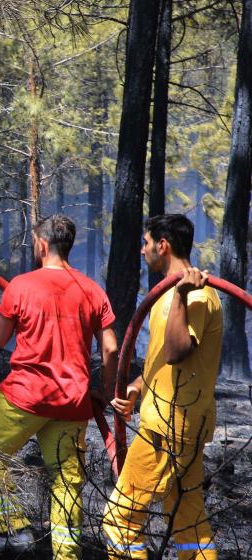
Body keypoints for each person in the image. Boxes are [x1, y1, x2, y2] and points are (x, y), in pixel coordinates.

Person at [0, 214, 118, 558]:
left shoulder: (21, 285)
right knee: (67, 480)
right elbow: (111, 348)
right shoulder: (93, 290)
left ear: (40, 245)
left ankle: (15, 527)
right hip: (72, 402)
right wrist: (106, 392)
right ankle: (66, 554)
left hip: (25, 397)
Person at [103, 214, 222, 560]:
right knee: (190, 526)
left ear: (163, 245)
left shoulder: (193, 296)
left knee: (119, 521)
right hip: (179, 421)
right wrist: (138, 387)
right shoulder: (173, 294)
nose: (142, 251)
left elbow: (177, 351)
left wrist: (183, 297)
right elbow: (163, 360)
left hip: (169, 427)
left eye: (145, 243)